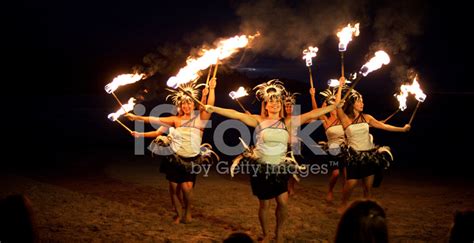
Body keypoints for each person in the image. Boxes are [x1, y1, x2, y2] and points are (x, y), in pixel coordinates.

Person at [205, 79, 337, 243]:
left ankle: (279, 233)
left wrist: (335, 106)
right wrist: (213, 108)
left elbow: (312, 114)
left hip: (280, 169)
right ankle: (266, 234)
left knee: (283, 202)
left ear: (280, 105)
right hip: (262, 169)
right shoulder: (258, 121)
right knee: (265, 205)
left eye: (277, 102)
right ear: (266, 105)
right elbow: (235, 114)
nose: (274, 104)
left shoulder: (286, 122)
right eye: (271, 102)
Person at [126, 77, 216, 224]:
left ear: (193, 104)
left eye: (189, 103)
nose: (186, 106)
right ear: (180, 106)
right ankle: (178, 214)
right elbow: (153, 119)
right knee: (174, 189)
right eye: (183, 104)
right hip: (174, 158)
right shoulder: (175, 120)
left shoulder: (200, 119)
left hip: (191, 159)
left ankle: (188, 211)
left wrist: (211, 89)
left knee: (187, 188)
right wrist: (136, 118)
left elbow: (210, 105)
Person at [335, 77, 410, 211]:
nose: (362, 103)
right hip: (354, 157)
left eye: (362, 101)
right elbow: (337, 105)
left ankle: (368, 208)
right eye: (359, 101)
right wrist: (341, 87)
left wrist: (402, 129)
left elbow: (383, 126)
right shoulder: (345, 119)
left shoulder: (367, 117)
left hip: (369, 155)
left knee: (367, 187)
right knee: (350, 184)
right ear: (352, 103)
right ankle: (343, 204)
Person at [318, 87, 346, 202]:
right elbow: (317, 110)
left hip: (345, 149)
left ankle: (345, 196)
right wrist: (313, 97)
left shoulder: (343, 119)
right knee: (335, 173)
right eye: (332, 107)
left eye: (335, 106)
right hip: (333, 150)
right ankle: (330, 190)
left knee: (346, 174)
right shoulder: (326, 120)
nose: (334, 109)